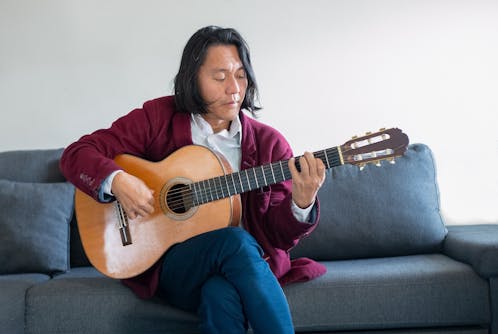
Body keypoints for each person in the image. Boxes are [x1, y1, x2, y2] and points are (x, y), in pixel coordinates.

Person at [60, 25, 327, 334]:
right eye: (220, 76)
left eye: (241, 75)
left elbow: (278, 238)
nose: (234, 89)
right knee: (235, 242)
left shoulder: (270, 144)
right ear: (193, 78)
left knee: (219, 293)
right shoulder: (157, 118)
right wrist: (118, 181)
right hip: (171, 265)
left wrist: (301, 202)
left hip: (241, 268)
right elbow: (76, 154)